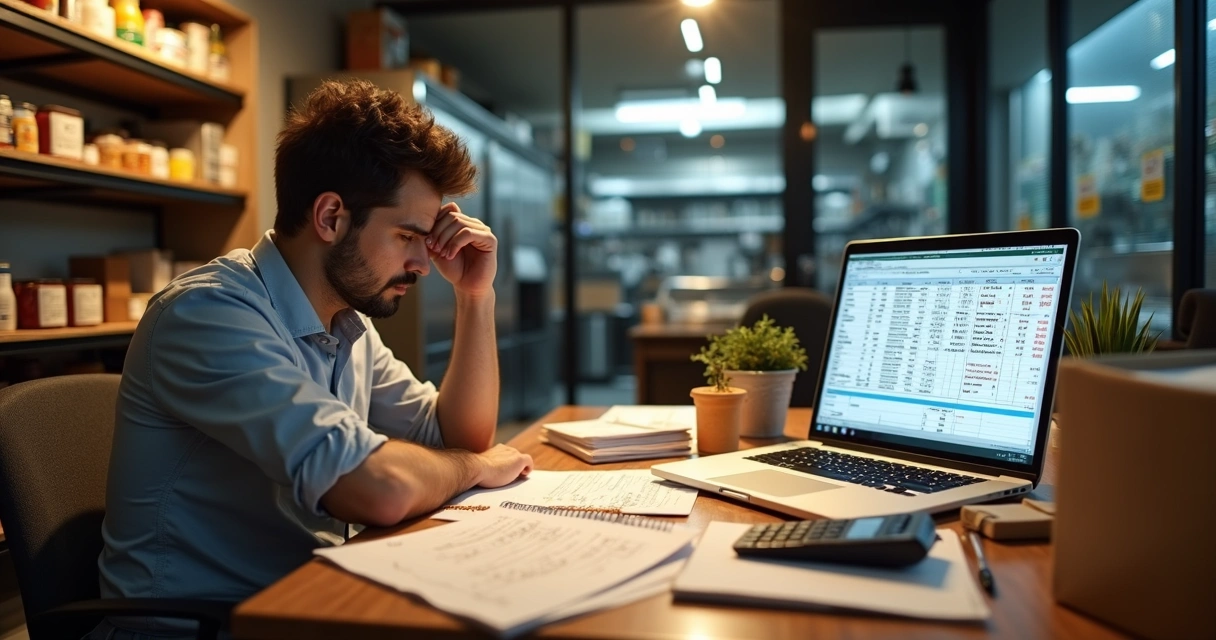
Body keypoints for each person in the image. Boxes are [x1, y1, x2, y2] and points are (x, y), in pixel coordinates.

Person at [91, 79, 533, 639]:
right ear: (330, 217)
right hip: (198, 629)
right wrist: (474, 468)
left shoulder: (345, 323)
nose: (424, 264)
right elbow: (380, 488)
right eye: (407, 236)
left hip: (305, 601)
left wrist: (475, 295)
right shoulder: (208, 314)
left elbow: (458, 435)